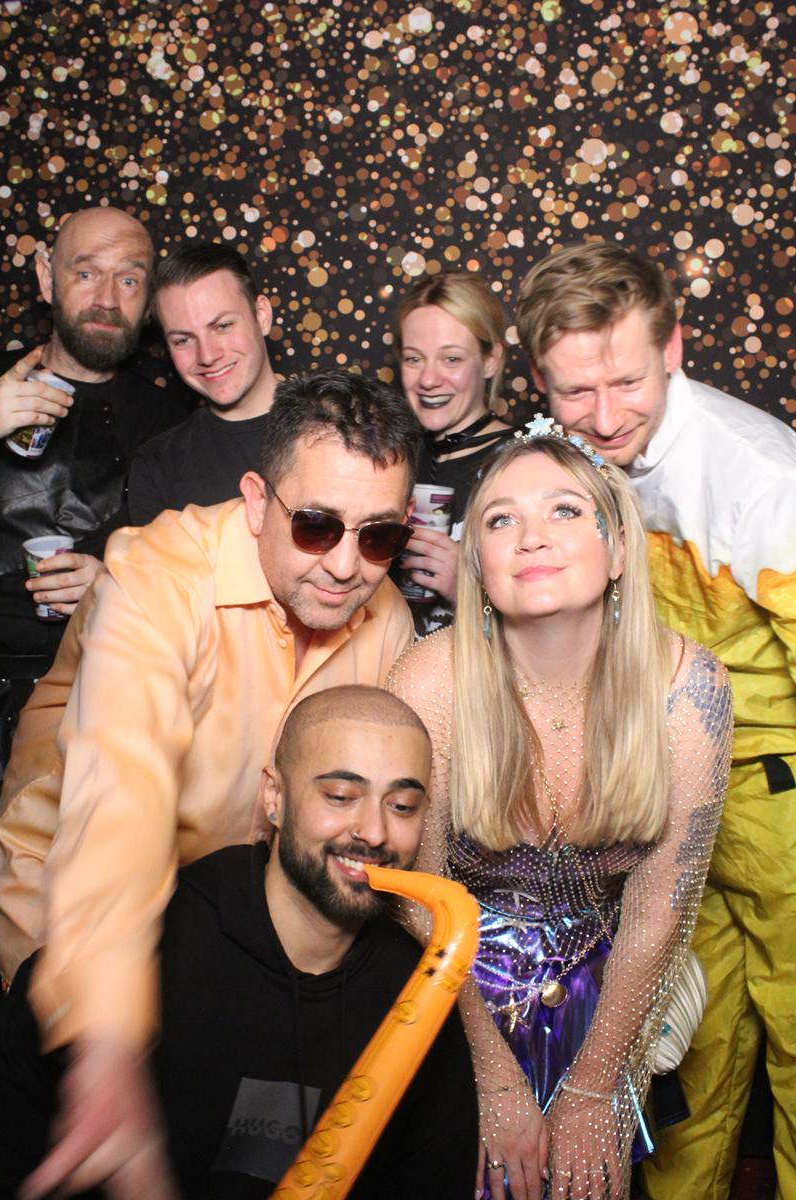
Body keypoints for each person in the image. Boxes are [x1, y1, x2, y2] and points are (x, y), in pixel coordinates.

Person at [0, 368, 421, 1197]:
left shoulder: (389, 619)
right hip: (70, 941)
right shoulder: (154, 576)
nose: (346, 565)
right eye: (316, 525)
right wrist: (104, 1043)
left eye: (377, 537)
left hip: (224, 958)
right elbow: (123, 792)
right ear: (257, 501)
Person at [515, 241, 796, 1200]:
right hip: (670, 792)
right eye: (574, 391)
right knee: (681, 1054)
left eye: (628, 382)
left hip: (778, 795)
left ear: (673, 347)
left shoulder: (761, 473)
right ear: (539, 378)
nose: (603, 417)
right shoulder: (572, 460)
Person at [389, 423, 733, 1200]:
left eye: (565, 510)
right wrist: (490, 1076)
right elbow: (417, 900)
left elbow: (661, 910)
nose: (531, 536)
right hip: (449, 990)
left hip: (608, 995)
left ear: (619, 550)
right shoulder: (429, 680)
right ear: (477, 561)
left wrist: (595, 1085)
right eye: (500, 518)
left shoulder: (690, 689)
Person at [0, 686, 478, 1199]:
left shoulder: (418, 991)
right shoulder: (131, 953)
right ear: (274, 798)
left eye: (402, 806)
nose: (375, 832)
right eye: (340, 797)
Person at [0, 206, 189, 789]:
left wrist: (120, 584)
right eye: (86, 273)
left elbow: (201, 584)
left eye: (129, 279)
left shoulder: (175, 424)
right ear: (46, 278)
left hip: (103, 711)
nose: (107, 299)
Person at [392, 270, 514, 635]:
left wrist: (469, 588)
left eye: (451, 359)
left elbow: (562, 624)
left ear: (490, 360)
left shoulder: (522, 463)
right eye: (414, 359)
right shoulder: (388, 457)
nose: (428, 380)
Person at [128, 243, 278, 525]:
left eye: (222, 326)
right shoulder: (157, 466)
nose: (207, 355)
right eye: (183, 340)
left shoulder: (343, 426)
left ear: (262, 316)